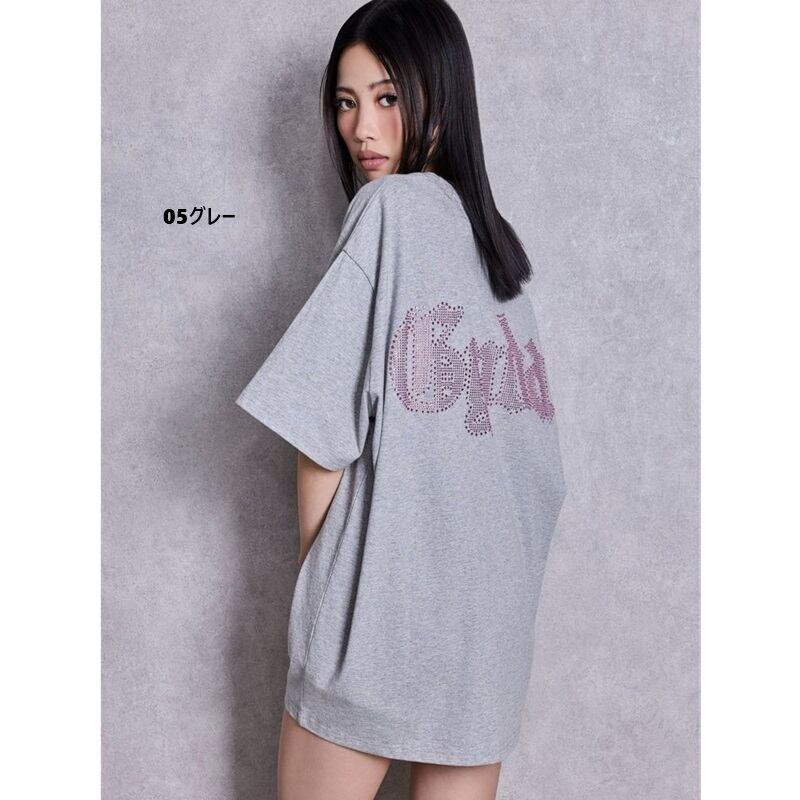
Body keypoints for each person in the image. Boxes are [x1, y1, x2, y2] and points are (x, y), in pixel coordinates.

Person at [235, 1, 567, 798]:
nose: (361, 129)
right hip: (488, 643)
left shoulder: (387, 211)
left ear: (439, 97)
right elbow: (540, 479)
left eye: (386, 98)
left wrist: (322, 599)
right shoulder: (500, 257)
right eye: (346, 103)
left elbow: (319, 433)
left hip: (380, 628)